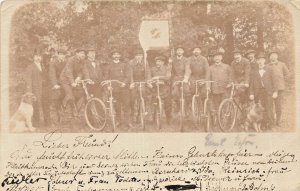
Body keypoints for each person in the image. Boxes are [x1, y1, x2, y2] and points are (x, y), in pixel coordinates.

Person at [104, 49, 133, 129]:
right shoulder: (109, 66)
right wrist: (108, 86)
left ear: (120, 56)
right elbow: (106, 77)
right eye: (114, 54)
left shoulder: (125, 65)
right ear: (112, 56)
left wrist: (124, 82)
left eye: (118, 54)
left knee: (126, 105)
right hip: (114, 88)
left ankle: (128, 122)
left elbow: (128, 76)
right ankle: (118, 121)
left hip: (124, 88)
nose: (116, 56)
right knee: (117, 106)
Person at [25, 49, 51, 128]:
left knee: (46, 105)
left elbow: (46, 77)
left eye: (40, 56)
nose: (38, 58)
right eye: (36, 56)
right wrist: (29, 92)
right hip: (36, 89)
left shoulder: (43, 66)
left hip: (45, 89)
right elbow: (28, 80)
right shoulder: (30, 67)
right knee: (36, 106)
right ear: (33, 57)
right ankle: (36, 123)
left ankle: (48, 122)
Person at [249, 52, 275, 129]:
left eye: (261, 59)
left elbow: (274, 81)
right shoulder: (254, 71)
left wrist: (275, 91)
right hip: (258, 92)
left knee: (269, 107)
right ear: (257, 61)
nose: (260, 61)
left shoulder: (269, 69)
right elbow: (251, 83)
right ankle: (262, 124)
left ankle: (270, 124)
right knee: (260, 108)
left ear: (264, 60)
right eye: (258, 60)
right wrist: (251, 93)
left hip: (268, 92)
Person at [59, 47, 87, 116]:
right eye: (81, 53)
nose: (83, 55)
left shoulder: (83, 61)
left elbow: (84, 71)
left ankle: (74, 109)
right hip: (65, 80)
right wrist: (72, 82)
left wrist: (80, 77)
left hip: (74, 80)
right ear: (77, 54)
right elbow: (68, 72)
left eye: (84, 53)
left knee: (81, 93)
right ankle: (63, 106)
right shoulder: (71, 60)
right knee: (70, 95)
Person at [268, 49, 290, 126]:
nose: (273, 56)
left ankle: (278, 121)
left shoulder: (282, 64)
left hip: (279, 88)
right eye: (271, 55)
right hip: (270, 89)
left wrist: (282, 82)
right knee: (269, 106)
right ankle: (270, 121)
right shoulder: (267, 66)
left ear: (277, 56)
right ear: (269, 57)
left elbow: (287, 74)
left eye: (274, 54)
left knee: (278, 105)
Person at [129, 48, 152, 121]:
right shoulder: (131, 62)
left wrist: (148, 81)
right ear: (134, 57)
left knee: (145, 96)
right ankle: (133, 114)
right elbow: (130, 74)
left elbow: (148, 72)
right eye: (137, 55)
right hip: (134, 82)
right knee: (133, 98)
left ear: (142, 56)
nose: (138, 57)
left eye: (140, 55)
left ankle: (144, 112)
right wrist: (132, 83)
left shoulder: (145, 62)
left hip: (143, 82)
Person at [209, 50, 233, 119]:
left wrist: (230, 83)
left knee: (225, 105)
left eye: (219, 56)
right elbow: (208, 78)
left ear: (221, 58)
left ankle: (224, 119)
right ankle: (216, 119)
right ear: (213, 58)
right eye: (215, 57)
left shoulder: (227, 67)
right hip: (215, 90)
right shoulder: (210, 68)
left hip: (225, 89)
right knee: (216, 105)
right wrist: (209, 87)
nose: (217, 58)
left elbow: (231, 76)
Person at [150, 56, 172, 124]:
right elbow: (149, 77)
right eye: (157, 61)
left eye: (159, 61)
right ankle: (153, 118)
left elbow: (168, 77)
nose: (158, 63)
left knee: (167, 104)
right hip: (155, 87)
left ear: (163, 62)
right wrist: (153, 82)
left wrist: (158, 77)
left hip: (165, 88)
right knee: (153, 102)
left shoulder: (167, 68)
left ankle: (168, 118)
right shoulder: (152, 69)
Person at [170, 46, 191, 115]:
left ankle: (187, 107)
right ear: (176, 52)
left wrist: (186, 78)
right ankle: (178, 106)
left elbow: (187, 69)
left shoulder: (186, 60)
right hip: (176, 78)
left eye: (181, 50)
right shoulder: (172, 59)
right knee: (175, 93)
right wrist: (173, 78)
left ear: (183, 52)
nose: (179, 52)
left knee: (187, 91)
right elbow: (171, 70)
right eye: (178, 50)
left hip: (184, 78)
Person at [49, 48, 67, 121]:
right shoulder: (53, 62)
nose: (62, 56)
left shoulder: (66, 62)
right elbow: (52, 74)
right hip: (55, 83)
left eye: (63, 55)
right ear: (58, 55)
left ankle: (64, 113)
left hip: (64, 83)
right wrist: (55, 84)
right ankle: (57, 116)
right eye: (60, 55)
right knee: (57, 98)